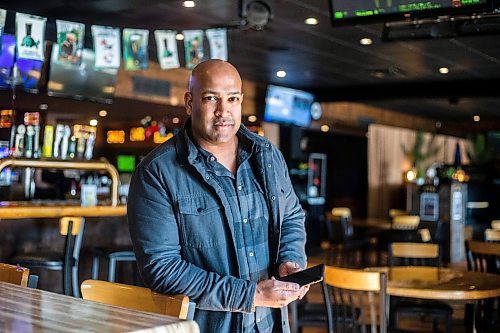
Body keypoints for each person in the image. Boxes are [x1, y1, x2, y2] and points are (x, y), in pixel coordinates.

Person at [128, 59, 308, 332]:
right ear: (190, 103)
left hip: (268, 324)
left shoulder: (267, 155)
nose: (223, 111)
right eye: (211, 98)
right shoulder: (156, 172)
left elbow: (292, 215)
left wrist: (290, 260)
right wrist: (251, 295)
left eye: (232, 99)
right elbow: (161, 268)